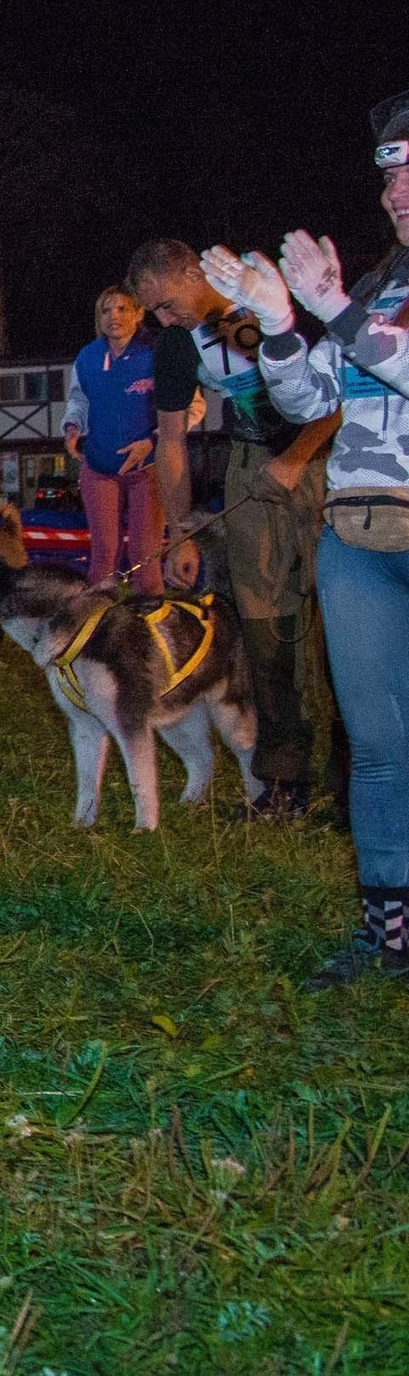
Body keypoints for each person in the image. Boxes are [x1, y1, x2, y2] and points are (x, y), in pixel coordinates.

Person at [209, 86, 409, 985]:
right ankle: (389, 933)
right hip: (360, 540)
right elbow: (306, 404)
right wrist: (284, 329)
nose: (396, 194)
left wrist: (329, 310)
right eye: (389, 179)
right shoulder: (375, 285)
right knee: (376, 743)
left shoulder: (357, 301)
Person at [129, 238, 344, 821]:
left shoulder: (251, 312)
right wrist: (179, 531)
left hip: (324, 461)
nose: (162, 321)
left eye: (168, 305)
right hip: (250, 468)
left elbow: (338, 396)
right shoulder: (177, 344)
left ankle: (356, 785)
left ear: (195, 276)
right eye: (153, 312)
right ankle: (282, 785)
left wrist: (297, 459)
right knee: (263, 625)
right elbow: (171, 440)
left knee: (343, 623)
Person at [60, 286, 162, 593]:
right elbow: (79, 399)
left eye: (121, 309)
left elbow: (192, 408)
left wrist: (153, 441)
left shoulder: (156, 352)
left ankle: (150, 624)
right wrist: (72, 426)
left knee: (145, 555)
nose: (113, 317)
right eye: (106, 310)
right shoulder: (89, 356)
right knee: (103, 553)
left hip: (147, 469)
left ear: (138, 313)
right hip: (99, 467)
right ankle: (98, 626)